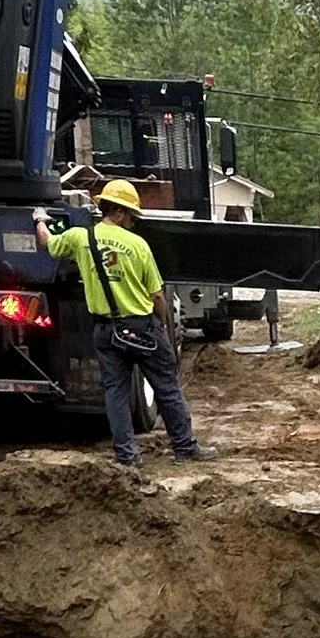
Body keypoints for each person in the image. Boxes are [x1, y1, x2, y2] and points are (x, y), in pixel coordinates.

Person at [41, 174, 207, 472]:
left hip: (106, 331)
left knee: (115, 393)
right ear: (118, 211)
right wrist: (162, 327)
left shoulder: (82, 237)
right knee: (167, 387)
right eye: (131, 215)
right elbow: (157, 295)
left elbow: (50, 243)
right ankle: (184, 447)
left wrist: (39, 219)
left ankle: (126, 457)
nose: (133, 221)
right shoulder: (138, 245)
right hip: (142, 328)